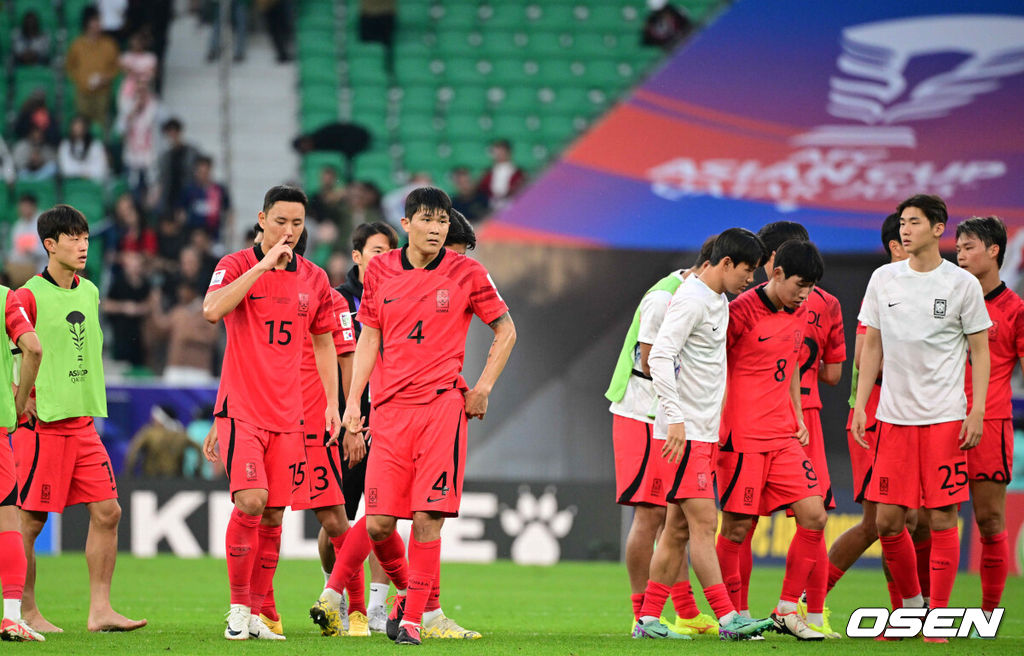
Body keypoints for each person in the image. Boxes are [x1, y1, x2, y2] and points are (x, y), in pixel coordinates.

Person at [314, 187, 516, 646]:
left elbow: (506, 329)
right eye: (427, 219)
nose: (436, 229)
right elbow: (369, 339)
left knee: (428, 517)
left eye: (443, 221)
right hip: (388, 412)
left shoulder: (468, 271)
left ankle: (411, 621)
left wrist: (482, 387)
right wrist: (352, 406)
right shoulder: (381, 270)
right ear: (406, 224)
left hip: (442, 407)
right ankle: (412, 598)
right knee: (381, 522)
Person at [202, 185, 342, 641]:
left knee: (275, 516)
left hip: (290, 414)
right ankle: (238, 609)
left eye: (297, 223)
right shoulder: (235, 264)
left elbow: (323, 342)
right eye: (280, 221)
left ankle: (260, 613)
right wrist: (263, 266)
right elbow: (211, 310)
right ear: (262, 219)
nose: (289, 231)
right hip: (242, 407)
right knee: (252, 500)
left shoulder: (316, 278)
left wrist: (333, 406)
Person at [852, 194, 990, 644]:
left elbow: (980, 351)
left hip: (944, 420)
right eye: (902, 223)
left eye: (914, 222)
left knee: (942, 517)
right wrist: (860, 404)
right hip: (892, 419)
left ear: (938, 229)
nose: (904, 230)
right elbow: (871, 344)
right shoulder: (883, 279)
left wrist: (977, 409)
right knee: (888, 522)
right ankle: (912, 609)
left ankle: (939, 620)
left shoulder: (961, 285)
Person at [11, 204, 147, 633]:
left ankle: (100, 611)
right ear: (49, 245)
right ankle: (26, 611)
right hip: (43, 424)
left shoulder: (89, 290)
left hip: (83, 422)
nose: (82, 244)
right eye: (72, 237)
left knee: (109, 512)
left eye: (85, 236)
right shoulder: (27, 295)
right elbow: (11, 349)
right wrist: (19, 397)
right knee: (29, 522)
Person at [638, 229, 774, 641]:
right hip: (685, 434)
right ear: (726, 263)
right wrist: (675, 419)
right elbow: (659, 356)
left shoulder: (718, 301)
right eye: (748, 269)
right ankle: (728, 618)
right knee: (704, 522)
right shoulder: (692, 300)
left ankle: (647, 620)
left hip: (702, 432)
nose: (751, 278)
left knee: (679, 530)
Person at [715, 239, 829, 641]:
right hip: (741, 437)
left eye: (812, 287)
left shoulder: (802, 311)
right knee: (737, 528)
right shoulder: (739, 312)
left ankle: (785, 609)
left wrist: (797, 415)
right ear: (776, 273)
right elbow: (713, 368)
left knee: (814, 515)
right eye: (800, 284)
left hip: (782, 435)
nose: (805, 294)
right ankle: (736, 616)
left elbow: (793, 366)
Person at [604, 241, 716, 637]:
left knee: (675, 516)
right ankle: (641, 615)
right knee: (650, 514)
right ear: (707, 266)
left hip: (668, 417)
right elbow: (653, 358)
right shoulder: (663, 298)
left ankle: (684, 611)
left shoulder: (700, 297)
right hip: (640, 413)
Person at [745, 221, 844, 638]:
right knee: (811, 514)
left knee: (745, 522)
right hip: (799, 417)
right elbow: (834, 374)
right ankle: (814, 613)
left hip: (772, 419)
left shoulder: (751, 304)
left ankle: (743, 612)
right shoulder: (827, 304)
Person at [824, 213, 917, 611]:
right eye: (908, 231)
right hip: (876, 417)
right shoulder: (884, 285)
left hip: (916, 418)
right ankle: (808, 599)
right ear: (896, 246)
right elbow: (863, 356)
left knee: (911, 522)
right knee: (881, 522)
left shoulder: (933, 288)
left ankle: (913, 609)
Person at [334, 221, 399, 634]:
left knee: (383, 516)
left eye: (389, 251)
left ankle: (376, 606)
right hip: (343, 423)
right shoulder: (338, 300)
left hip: (387, 421)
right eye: (376, 251)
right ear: (356, 256)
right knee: (337, 519)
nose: (383, 259)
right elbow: (337, 362)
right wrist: (349, 422)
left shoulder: (400, 294)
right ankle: (337, 595)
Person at [954, 216, 1017, 629]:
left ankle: (989, 615)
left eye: (969, 246)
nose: (959, 254)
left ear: (994, 250)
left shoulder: (1015, 311)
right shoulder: (947, 300)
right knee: (921, 520)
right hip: (938, 420)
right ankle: (919, 608)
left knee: (990, 521)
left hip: (989, 424)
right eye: (957, 247)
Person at [0, 273, 43, 642]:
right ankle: (11, 616)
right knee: (7, 521)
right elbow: (33, 347)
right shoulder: (5, 300)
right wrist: (19, 400)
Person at [66, 7, 120, 131]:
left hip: (102, 93)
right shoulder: (77, 45)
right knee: (82, 127)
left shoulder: (109, 45)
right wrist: (81, 80)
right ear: (87, 23)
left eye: (99, 21)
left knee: (101, 128)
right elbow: (70, 67)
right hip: (82, 93)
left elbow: (116, 68)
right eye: (95, 20)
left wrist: (106, 78)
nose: (98, 24)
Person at [179, 155, 232, 242]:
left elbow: (228, 210)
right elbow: (181, 212)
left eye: (205, 172)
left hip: (214, 236)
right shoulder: (189, 190)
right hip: (193, 236)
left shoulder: (218, 189)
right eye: (200, 172)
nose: (203, 175)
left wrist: (228, 228)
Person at [156, 119, 199, 215]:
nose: (172, 136)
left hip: (188, 198)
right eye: (169, 133)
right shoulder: (165, 156)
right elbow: (162, 178)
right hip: (170, 198)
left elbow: (198, 174)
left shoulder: (192, 153)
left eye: (174, 132)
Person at [6, 195, 48, 288]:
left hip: (41, 266)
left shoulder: (45, 222)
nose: (23, 209)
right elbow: (15, 249)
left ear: (33, 206)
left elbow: (50, 250)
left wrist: (33, 251)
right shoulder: (18, 226)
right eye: (21, 207)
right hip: (23, 268)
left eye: (26, 206)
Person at [58, 115, 110, 183]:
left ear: (86, 128)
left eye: (80, 126)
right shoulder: (65, 145)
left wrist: (86, 175)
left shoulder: (96, 145)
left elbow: (101, 168)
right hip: (72, 182)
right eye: (75, 126)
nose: (78, 129)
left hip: (93, 182)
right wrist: (79, 174)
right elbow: (65, 168)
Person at [476, 139, 525, 211]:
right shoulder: (488, 172)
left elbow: (520, 189)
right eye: (496, 152)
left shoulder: (517, 173)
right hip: (491, 208)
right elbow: (481, 189)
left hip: (512, 207)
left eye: (501, 151)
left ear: (508, 152)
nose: (499, 154)